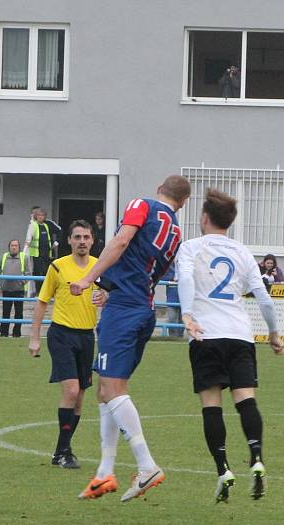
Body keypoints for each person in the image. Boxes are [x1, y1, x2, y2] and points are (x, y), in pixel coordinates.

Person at [72, 175, 191, 503]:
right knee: (104, 389)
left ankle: (146, 464)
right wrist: (109, 290)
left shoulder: (143, 205)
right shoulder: (176, 232)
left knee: (113, 389)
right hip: (139, 307)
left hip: (125, 310)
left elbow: (122, 242)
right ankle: (104, 473)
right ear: (182, 202)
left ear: (159, 190)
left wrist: (88, 278)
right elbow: (145, 271)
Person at [176, 189, 284, 502]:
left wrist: (186, 314)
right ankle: (257, 458)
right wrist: (274, 334)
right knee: (246, 401)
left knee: (212, 406)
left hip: (205, 335)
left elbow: (184, 279)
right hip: (239, 335)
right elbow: (263, 297)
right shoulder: (241, 252)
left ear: (205, 218)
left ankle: (223, 468)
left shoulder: (191, 247)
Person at [28, 220, 103, 469]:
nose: (82, 242)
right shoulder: (58, 267)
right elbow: (42, 302)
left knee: (80, 398)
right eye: (77, 237)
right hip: (61, 335)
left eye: (86, 237)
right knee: (70, 391)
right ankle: (63, 452)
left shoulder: (98, 267)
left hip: (86, 336)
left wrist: (106, 296)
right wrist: (35, 337)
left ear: (93, 240)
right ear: (69, 240)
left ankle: (62, 450)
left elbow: (111, 294)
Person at [0, 239, 29, 338]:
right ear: (9, 247)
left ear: (19, 247)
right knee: (5, 312)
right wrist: (1, 282)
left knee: (19, 313)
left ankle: (16, 333)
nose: (14, 247)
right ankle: (3, 333)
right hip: (6, 289)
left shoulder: (24, 257)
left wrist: (21, 283)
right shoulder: (4, 256)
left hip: (19, 290)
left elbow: (28, 273)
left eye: (16, 245)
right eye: (12, 245)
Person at [24, 207, 58, 291]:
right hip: (36, 254)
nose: (40, 217)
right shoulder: (33, 225)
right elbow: (28, 238)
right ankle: (38, 290)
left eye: (42, 215)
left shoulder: (46, 226)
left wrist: (55, 244)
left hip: (46, 254)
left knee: (47, 272)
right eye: (39, 215)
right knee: (38, 272)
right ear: (36, 216)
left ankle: (45, 290)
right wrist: (25, 250)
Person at [161, 265, 182, 338]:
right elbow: (162, 277)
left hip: (184, 297)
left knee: (182, 320)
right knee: (172, 318)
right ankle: (172, 337)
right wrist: (173, 277)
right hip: (171, 297)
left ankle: (180, 337)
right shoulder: (169, 266)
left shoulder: (187, 265)